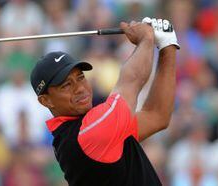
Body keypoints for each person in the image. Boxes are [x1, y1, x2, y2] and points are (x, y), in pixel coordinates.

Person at [30, 17, 179, 185]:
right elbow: (132, 80)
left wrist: (168, 46)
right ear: (46, 101)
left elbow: (157, 116)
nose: (80, 88)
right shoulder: (87, 133)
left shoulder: (85, 130)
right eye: (66, 85)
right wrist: (146, 38)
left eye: (80, 77)